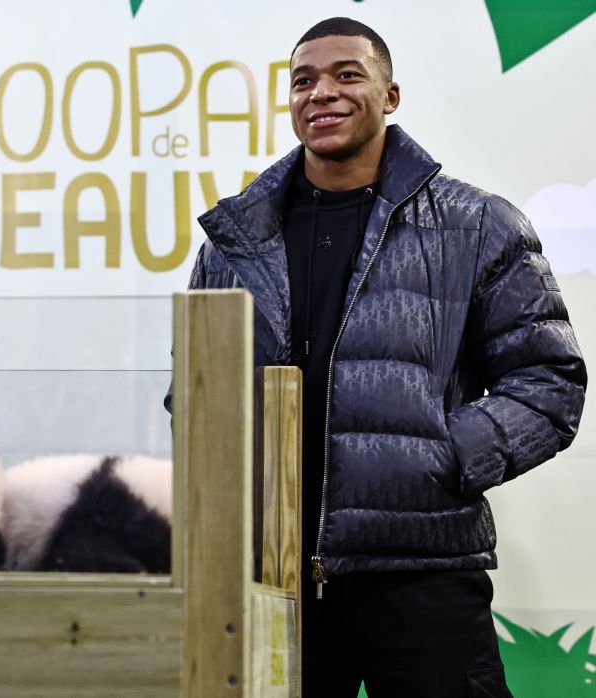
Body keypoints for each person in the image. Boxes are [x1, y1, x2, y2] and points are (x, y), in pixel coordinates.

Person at [173, 17, 586, 697]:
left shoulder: (478, 224)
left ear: (390, 96)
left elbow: (549, 379)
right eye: (303, 81)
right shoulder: (234, 241)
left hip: (421, 569)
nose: (322, 93)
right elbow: (193, 388)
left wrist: (444, 457)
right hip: (268, 573)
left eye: (346, 75)